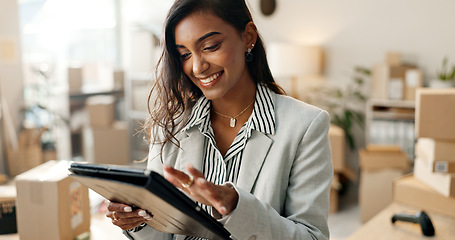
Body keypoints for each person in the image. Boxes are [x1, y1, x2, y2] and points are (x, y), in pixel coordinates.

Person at [106, 0, 333, 239]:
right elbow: (162, 233)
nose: (197, 67)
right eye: (184, 54)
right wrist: (136, 222)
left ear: (248, 37)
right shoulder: (171, 126)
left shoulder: (306, 125)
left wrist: (237, 207)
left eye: (210, 46)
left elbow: (312, 237)